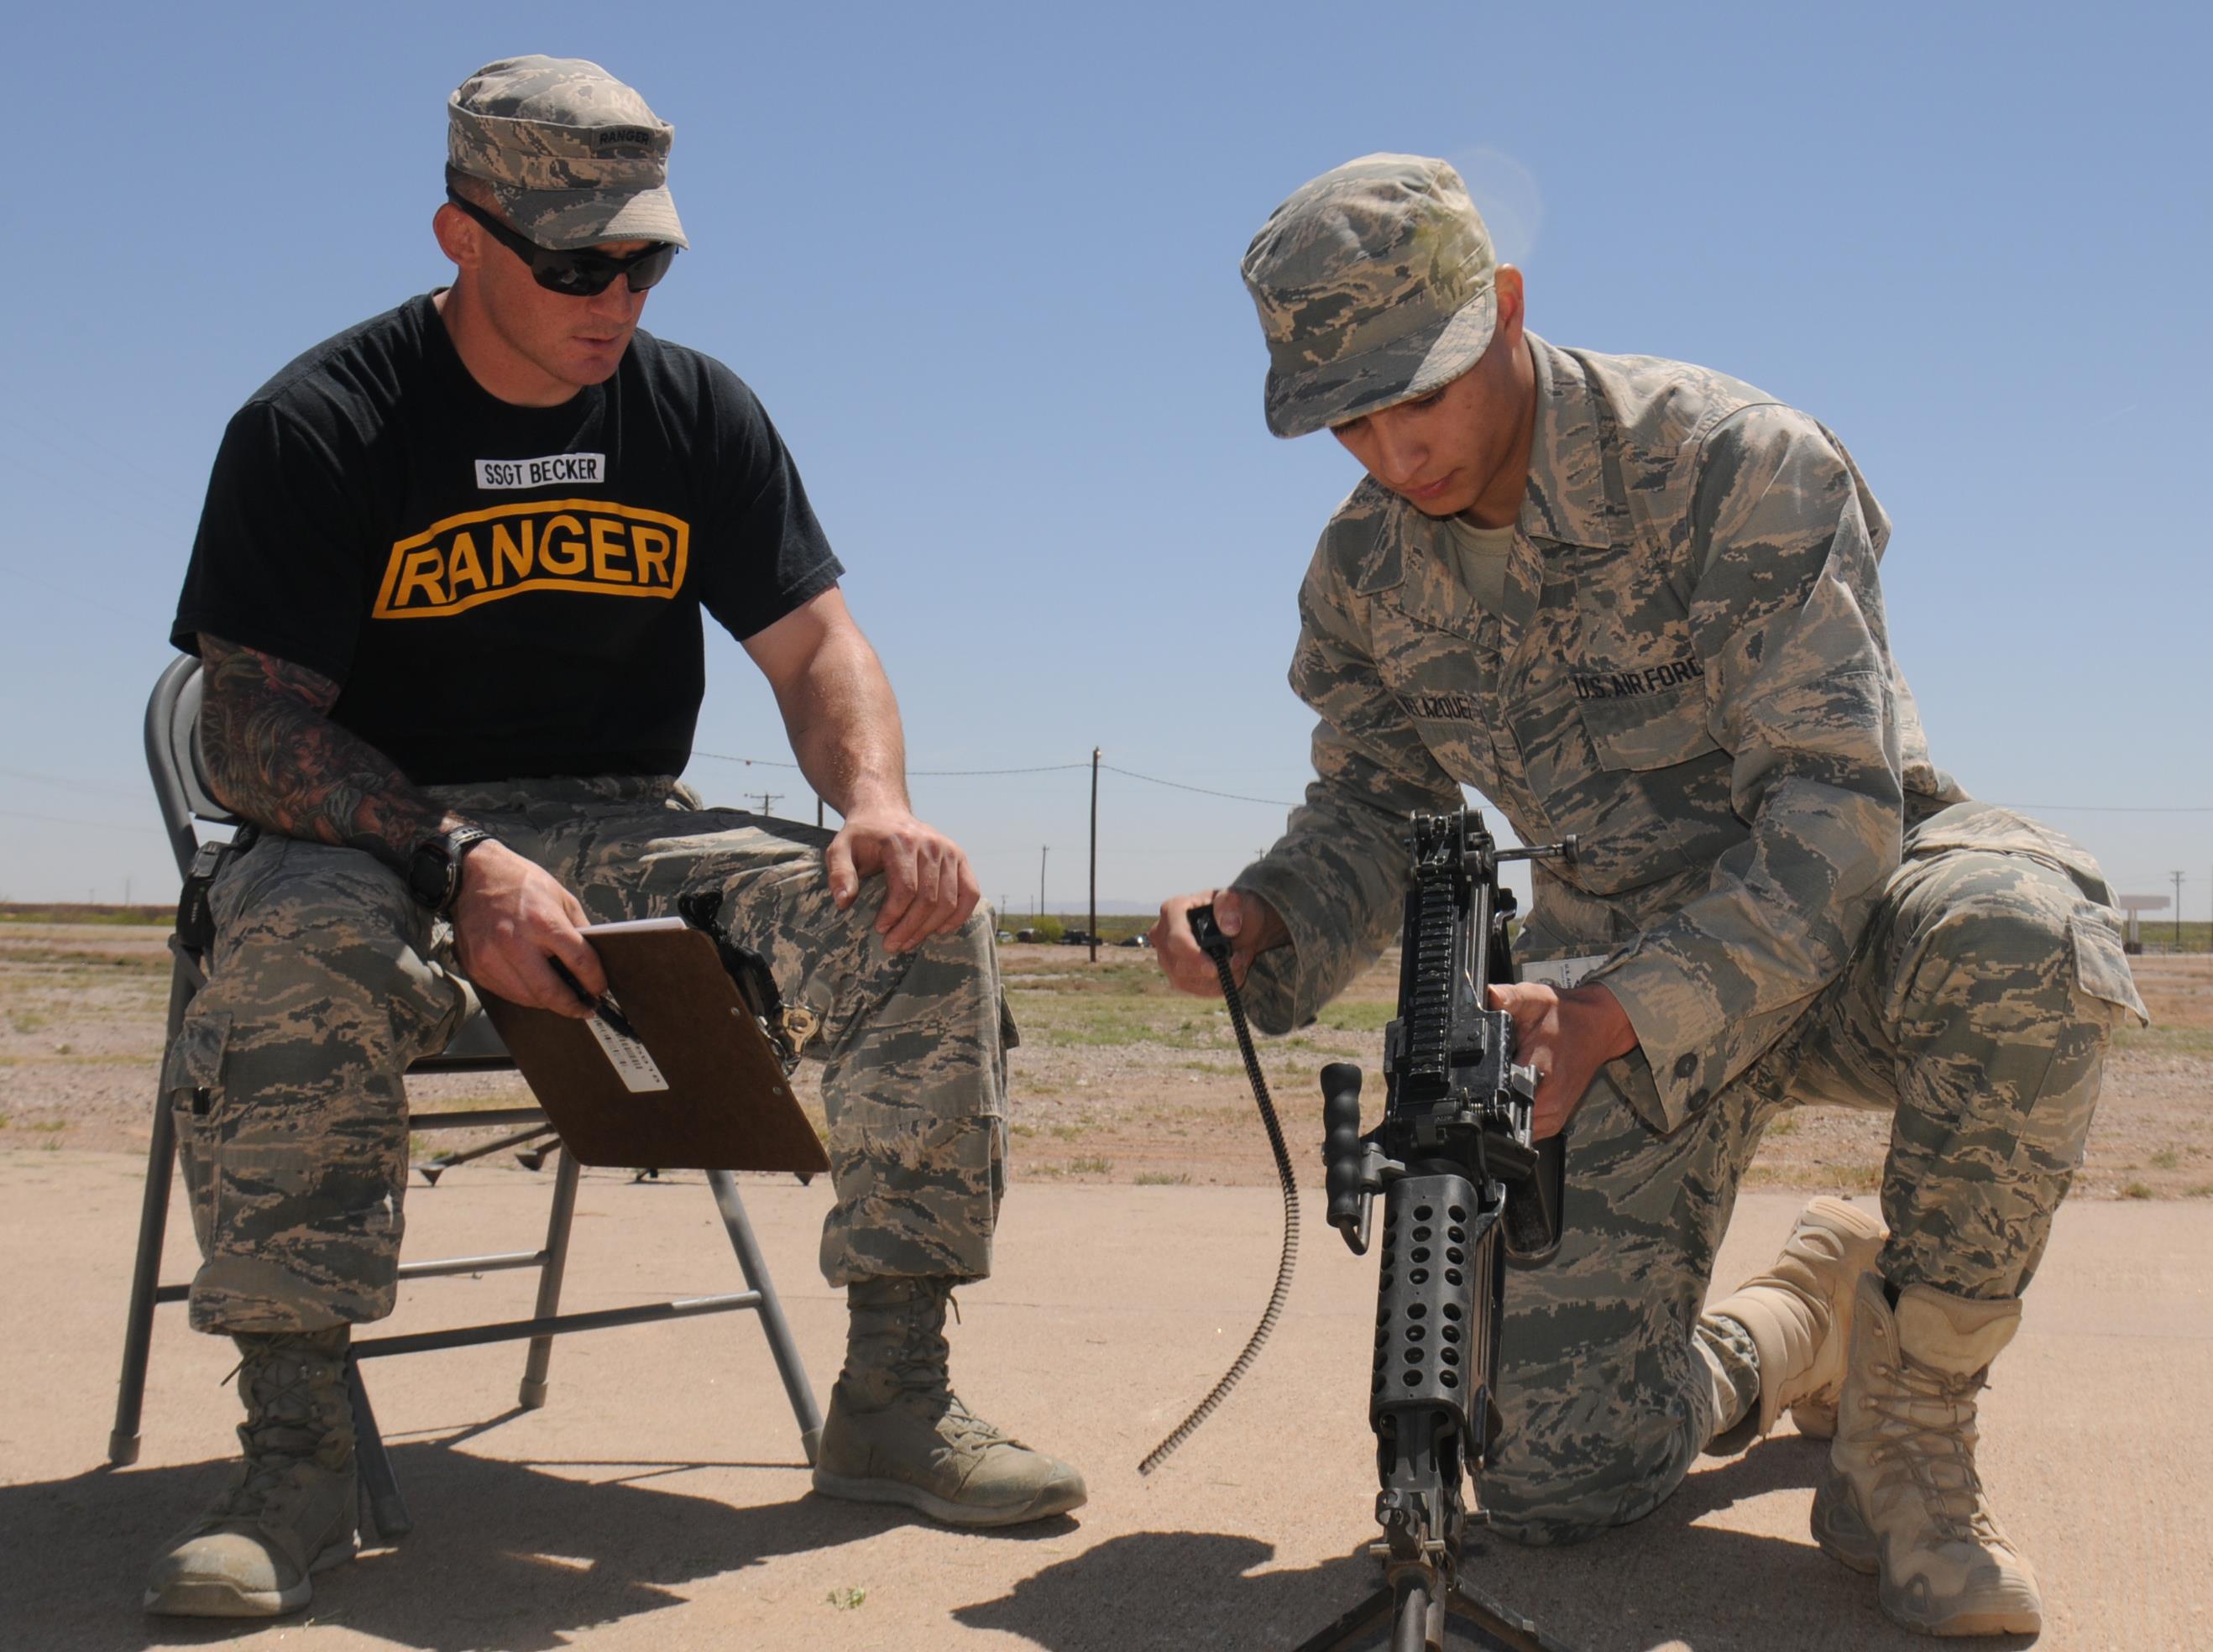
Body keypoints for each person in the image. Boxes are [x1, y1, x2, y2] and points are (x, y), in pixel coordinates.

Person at [1153, 154, 2143, 1638]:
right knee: (1559, 1487)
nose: (1391, 452)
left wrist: (1624, 1012)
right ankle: (1802, 1324)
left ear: (1504, 308)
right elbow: (1375, 801)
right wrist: (1269, 916)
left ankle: (1914, 1432)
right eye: (1346, 419)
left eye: (1415, 395)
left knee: (2025, 934)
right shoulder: (1364, 576)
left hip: (1844, 931)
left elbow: (1831, 805)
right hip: (1598, 990)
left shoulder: (1729, 461)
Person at [149, 55, 1082, 1620]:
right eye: (574, 262)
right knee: (295, 933)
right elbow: (246, 732)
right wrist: (454, 859)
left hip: (626, 835)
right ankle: (296, 1460)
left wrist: (876, 805)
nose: (615, 294)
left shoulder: (695, 411)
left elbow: (819, 648)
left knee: (912, 912)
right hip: (378, 833)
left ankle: (894, 1399)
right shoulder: (319, 425)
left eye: (643, 257)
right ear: (460, 237)